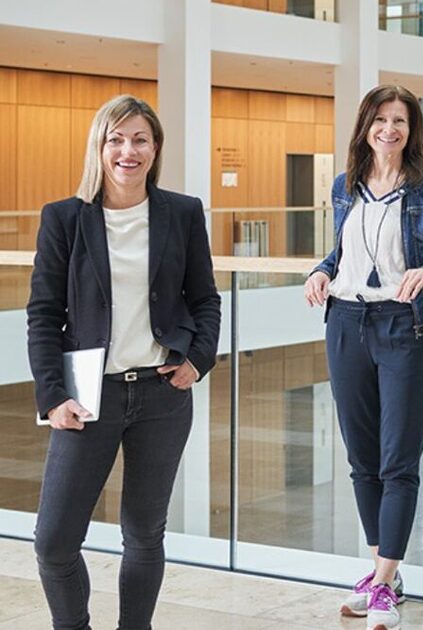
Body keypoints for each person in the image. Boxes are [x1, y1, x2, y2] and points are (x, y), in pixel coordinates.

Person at [27, 94, 221, 629]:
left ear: (155, 148)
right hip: (88, 398)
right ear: (100, 146)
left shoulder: (182, 213)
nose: (127, 151)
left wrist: (198, 359)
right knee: (54, 542)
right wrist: (53, 396)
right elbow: (43, 315)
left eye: (140, 139)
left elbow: (205, 299)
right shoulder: (65, 218)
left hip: (162, 396)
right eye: (116, 139)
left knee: (143, 534)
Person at [303, 84, 423, 630]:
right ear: (366, 127)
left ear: (412, 130)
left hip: (405, 326)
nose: (389, 129)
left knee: (397, 460)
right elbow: (346, 250)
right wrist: (321, 270)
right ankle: (385, 574)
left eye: (400, 121)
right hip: (345, 322)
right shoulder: (345, 186)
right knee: (362, 460)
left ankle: (381, 584)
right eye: (380, 120)